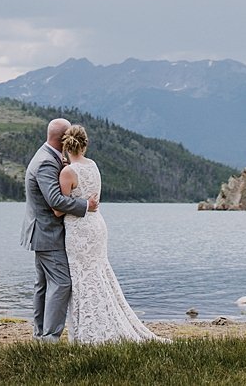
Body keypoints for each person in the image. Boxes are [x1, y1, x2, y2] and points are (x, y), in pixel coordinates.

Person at [58, 124, 166, 343]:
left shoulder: (67, 172)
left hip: (79, 230)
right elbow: (91, 195)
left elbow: (59, 209)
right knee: (98, 274)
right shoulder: (93, 166)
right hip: (97, 225)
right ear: (85, 145)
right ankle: (108, 322)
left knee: (82, 278)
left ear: (66, 145)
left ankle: (89, 332)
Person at [21, 117, 95, 341]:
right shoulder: (45, 162)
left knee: (43, 285)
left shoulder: (47, 157)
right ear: (64, 139)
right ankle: (50, 338)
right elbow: (55, 200)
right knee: (62, 283)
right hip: (47, 233)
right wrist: (86, 205)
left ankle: (41, 336)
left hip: (41, 233)